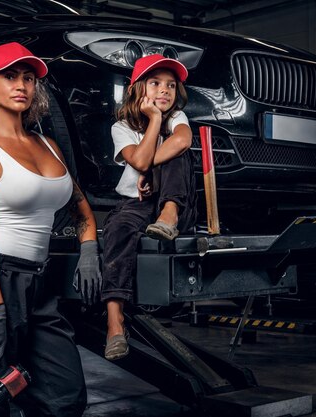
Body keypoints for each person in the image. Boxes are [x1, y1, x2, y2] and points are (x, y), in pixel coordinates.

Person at [0, 42, 102, 417]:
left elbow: (78, 205)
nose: (21, 85)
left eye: (29, 78)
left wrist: (88, 248)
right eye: (10, 76)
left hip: (39, 284)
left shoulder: (48, 145)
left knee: (65, 396)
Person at [100, 54, 197, 360]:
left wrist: (149, 168)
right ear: (138, 89)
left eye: (170, 85)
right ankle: (115, 324)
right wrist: (154, 121)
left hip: (177, 202)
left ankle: (169, 215)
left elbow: (182, 141)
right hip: (137, 204)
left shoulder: (177, 118)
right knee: (116, 230)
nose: (165, 91)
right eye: (155, 83)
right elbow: (138, 159)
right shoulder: (122, 127)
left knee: (177, 152)